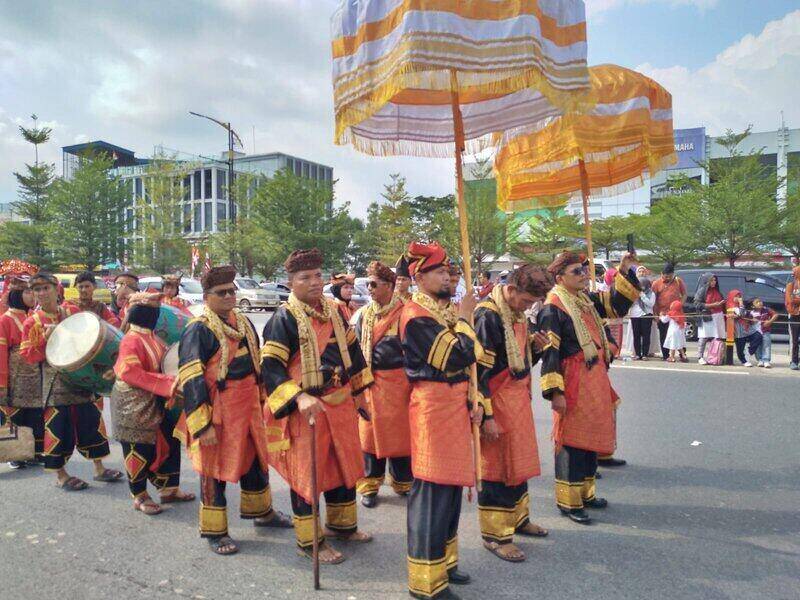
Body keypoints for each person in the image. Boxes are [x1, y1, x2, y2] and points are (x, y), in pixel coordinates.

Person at [261, 249, 373, 565]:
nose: (313, 282)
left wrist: (360, 394)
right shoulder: (283, 318)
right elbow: (270, 366)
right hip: (306, 408)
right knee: (308, 475)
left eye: (317, 275)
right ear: (290, 283)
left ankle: (342, 526)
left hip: (339, 403)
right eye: (304, 277)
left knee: (342, 464)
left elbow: (353, 354)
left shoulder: (334, 312)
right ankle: (310, 541)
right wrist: (298, 397)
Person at [177, 265, 291, 556]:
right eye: (221, 292)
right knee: (213, 470)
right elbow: (191, 377)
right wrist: (203, 425)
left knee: (256, 460)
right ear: (206, 297)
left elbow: (257, 361)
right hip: (219, 411)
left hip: (249, 406)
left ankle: (262, 513)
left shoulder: (243, 321)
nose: (229, 296)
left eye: (231, 291)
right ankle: (215, 531)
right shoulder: (198, 329)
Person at [400, 241, 483, 600]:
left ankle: (445, 564)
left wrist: (476, 399)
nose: (447, 276)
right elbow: (458, 355)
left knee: (450, 489)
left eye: (448, 270)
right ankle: (425, 581)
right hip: (433, 408)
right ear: (419, 278)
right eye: (438, 271)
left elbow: (472, 365)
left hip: (454, 404)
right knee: (432, 489)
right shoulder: (416, 315)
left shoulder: (443, 311)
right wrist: (466, 318)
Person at [538, 252, 639, 524]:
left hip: (594, 377)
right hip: (572, 379)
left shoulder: (585, 300)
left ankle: (586, 493)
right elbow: (550, 353)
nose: (583, 275)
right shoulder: (553, 307)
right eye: (576, 271)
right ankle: (569, 502)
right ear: (560, 278)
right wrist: (555, 392)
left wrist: (624, 270)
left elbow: (617, 305)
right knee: (572, 440)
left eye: (583, 270)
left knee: (590, 437)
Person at [474, 265, 551, 563]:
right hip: (496, 403)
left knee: (517, 463)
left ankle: (519, 519)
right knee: (497, 469)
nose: (528, 307)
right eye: (526, 300)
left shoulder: (516, 313)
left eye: (533, 303)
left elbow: (516, 364)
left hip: (517, 401)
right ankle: (495, 535)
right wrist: (487, 416)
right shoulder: (488, 316)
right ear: (511, 289)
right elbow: (479, 373)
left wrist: (536, 349)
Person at [21, 272, 122, 490]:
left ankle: (99, 468)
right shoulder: (32, 323)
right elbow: (28, 356)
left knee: (91, 422)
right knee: (59, 428)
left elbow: (87, 337)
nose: (42, 293)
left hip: (82, 378)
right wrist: (45, 340)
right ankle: (61, 475)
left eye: (46, 288)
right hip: (55, 383)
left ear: (56, 289)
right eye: (37, 290)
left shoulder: (72, 312)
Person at [111, 302, 195, 515]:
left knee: (169, 441)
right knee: (138, 448)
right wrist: (168, 382)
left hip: (156, 399)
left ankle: (169, 489)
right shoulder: (131, 339)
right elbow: (129, 371)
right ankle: (139, 495)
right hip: (133, 404)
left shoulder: (152, 337)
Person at [353, 260, 412, 508]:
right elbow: (355, 350)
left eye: (374, 284)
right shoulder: (364, 315)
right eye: (368, 284)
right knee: (368, 436)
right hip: (370, 384)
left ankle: (403, 483)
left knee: (400, 437)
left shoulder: (406, 312)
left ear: (389, 285)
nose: (369, 289)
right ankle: (369, 485)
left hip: (399, 385)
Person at [0, 285, 43, 468]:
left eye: (33, 291)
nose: (33, 295)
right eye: (27, 292)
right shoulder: (5, 320)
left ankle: (34, 452)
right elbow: (1, 353)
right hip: (15, 376)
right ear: (16, 294)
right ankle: (16, 454)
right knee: (15, 414)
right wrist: (2, 382)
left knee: (35, 414)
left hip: (34, 375)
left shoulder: (33, 317)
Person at [652, 264, 686, 360]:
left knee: (679, 334)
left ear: (673, 274)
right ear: (661, 274)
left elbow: (684, 295)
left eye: (670, 276)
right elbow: (653, 300)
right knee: (664, 334)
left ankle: (682, 355)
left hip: (677, 314)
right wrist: (655, 315)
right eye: (666, 276)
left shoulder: (678, 281)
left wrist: (679, 305)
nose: (668, 278)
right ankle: (666, 355)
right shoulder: (656, 283)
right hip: (663, 314)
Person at [694, 273, 726, 365]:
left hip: (718, 316)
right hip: (707, 317)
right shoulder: (702, 291)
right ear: (706, 281)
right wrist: (712, 305)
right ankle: (700, 357)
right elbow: (697, 304)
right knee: (704, 337)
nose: (714, 282)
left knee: (717, 337)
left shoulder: (717, 291)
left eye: (715, 280)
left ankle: (714, 357)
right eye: (711, 280)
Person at [728, 290, 761, 367]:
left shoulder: (740, 306)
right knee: (740, 348)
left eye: (740, 296)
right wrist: (741, 304)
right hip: (739, 332)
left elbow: (745, 314)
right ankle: (743, 361)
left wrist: (748, 317)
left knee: (758, 336)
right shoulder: (730, 306)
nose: (739, 298)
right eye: (736, 296)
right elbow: (742, 313)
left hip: (747, 329)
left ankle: (749, 352)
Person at [629, 278, 655, 360]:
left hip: (646, 315)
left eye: (643, 284)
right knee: (636, 335)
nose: (641, 287)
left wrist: (643, 296)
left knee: (646, 335)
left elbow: (651, 304)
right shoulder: (634, 292)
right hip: (635, 315)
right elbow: (630, 304)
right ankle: (637, 354)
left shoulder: (651, 294)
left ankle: (644, 354)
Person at [751, 298, 777, 368]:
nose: (760, 303)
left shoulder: (766, 309)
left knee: (766, 345)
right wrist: (752, 321)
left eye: (760, 301)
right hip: (756, 333)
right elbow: (748, 322)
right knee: (757, 346)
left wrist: (770, 322)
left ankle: (766, 360)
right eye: (757, 302)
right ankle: (760, 360)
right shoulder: (751, 313)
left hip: (766, 331)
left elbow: (775, 315)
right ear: (753, 306)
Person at [785, 266, 800, 370]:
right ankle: (794, 361)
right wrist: (795, 301)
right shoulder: (791, 285)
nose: (793, 274)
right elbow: (789, 300)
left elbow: (794, 299)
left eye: (795, 272)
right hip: (794, 315)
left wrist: (796, 300)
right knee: (794, 341)